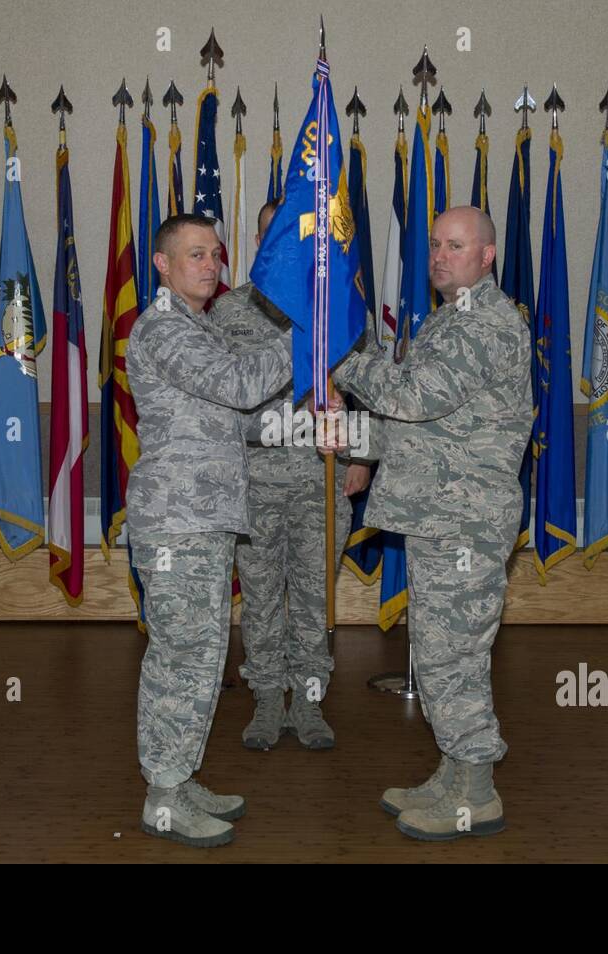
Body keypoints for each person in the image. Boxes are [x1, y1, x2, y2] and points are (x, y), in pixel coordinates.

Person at [329, 205, 533, 841]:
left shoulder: (486, 322)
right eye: (436, 244)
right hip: (442, 515)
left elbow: (412, 398)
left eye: (457, 245)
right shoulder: (451, 322)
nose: (441, 255)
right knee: (442, 649)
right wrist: (355, 438)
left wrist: (339, 353)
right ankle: (452, 772)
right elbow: (418, 427)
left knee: (453, 655)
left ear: (487, 256)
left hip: (464, 522)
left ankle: (476, 791)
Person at [125, 213, 293, 848]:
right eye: (194, 254)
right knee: (181, 657)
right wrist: (305, 338)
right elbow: (239, 386)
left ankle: (180, 776)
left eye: (216, 253)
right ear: (163, 266)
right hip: (177, 523)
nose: (210, 263)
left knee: (201, 657)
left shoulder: (198, 329)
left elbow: (230, 419)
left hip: (203, 518)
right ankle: (163, 796)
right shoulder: (166, 328)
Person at [212, 200, 372, 751]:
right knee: (259, 596)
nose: (280, 243)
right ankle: (263, 701)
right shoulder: (229, 310)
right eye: (269, 234)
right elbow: (215, 399)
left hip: (320, 477)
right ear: (258, 239)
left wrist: (362, 459)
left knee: (312, 596)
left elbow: (367, 391)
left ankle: (307, 701)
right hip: (254, 477)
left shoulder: (339, 308)